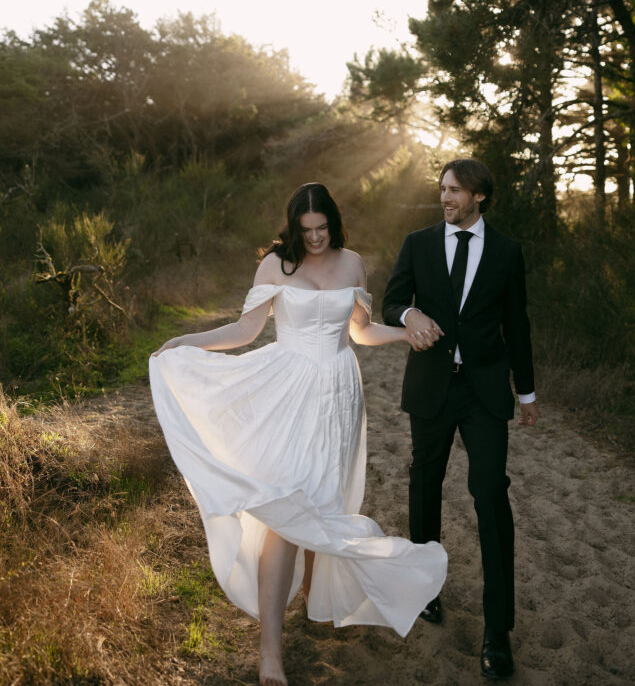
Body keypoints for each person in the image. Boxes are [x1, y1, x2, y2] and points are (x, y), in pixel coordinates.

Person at [150, 182, 447, 686]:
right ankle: (270, 652)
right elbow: (244, 332)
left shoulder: (353, 264)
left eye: (321, 228)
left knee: (320, 497)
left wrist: (404, 333)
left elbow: (360, 331)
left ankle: (314, 594)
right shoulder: (275, 266)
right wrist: (186, 341)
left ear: (333, 223)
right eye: (304, 230)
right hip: (287, 387)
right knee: (287, 507)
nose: (313, 238)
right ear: (293, 227)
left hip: (338, 392)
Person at [382, 159, 539, 681]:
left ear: (480, 197)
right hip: (431, 387)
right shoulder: (419, 242)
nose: (445, 197)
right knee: (424, 484)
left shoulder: (508, 252)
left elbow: (517, 323)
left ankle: (498, 631)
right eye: (442, 189)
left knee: (490, 493)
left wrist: (529, 391)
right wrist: (411, 316)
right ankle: (426, 591)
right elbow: (389, 302)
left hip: (485, 392)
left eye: (454, 191)